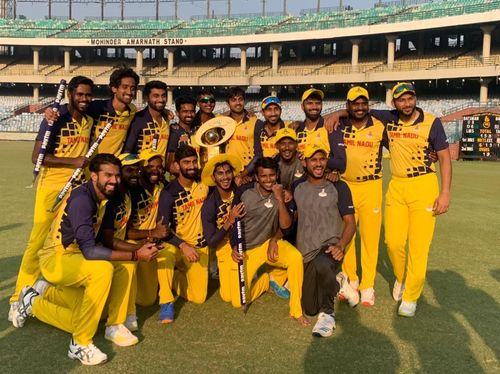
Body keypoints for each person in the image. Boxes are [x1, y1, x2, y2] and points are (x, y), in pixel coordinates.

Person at [11, 154, 159, 365]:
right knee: (103, 271)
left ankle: (112, 324)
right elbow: (90, 251)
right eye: (108, 175)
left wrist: (138, 250)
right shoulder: (82, 199)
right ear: (94, 176)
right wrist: (137, 254)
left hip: (78, 257)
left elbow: (108, 241)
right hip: (57, 258)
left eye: (116, 176)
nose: (114, 180)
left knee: (121, 269)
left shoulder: (108, 197)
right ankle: (79, 343)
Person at [8, 76, 94, 322]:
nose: (85, 99)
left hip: (76, 189)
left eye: (88, 95)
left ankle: (48, 285)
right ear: (70, 95)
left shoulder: (88, 121)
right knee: (37, 241)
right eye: (80, 95)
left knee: (67, 240)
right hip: (51, 188)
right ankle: (18, 297)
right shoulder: (55, 118)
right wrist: (73, 162)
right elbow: (37, 157)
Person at [370, 82, 452, 317]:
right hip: (397, 185)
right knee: (393, 243)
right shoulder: (389, 118)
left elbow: (445, 159)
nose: (406, 104)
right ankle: (401, 277)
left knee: (418, 247)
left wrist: (445, 193)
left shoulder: (431, 122)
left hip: (424, 185)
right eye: (401, 100)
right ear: (394, 102)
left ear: (415, 98)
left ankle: (411, 296)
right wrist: (338, 114)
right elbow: (360, 110)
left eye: (410, 99)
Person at [229, 157, 309, 326]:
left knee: (295, 258)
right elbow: (233, 222)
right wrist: (234, 246)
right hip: (247, 250)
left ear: (276, 175)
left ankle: (296, 310)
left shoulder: (283, 194)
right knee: (238, 301)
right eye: (263, 176)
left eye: (271, 175)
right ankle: (266, 281)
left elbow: (286, 225)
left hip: (267, 243)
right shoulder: (244, 192)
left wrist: (279, 199)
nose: (268, 180)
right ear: (256, 177)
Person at [292, 144, 358, 337]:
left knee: (323, 263)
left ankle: (328, 314)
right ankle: (338, 283)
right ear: (305, 163)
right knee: (310, 307)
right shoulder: (297, 186)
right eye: (313, 159)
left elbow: (350, 223)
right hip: (306, 253)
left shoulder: (338, 186)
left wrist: (341, 245)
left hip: (329, 247)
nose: (318, 163)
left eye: (322, 159)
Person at [339, 86, 387, 306]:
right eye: (355, 104)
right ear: (348, 106)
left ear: (368, 105)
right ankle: (351, 279)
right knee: (347, 235)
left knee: (369, 238)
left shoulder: (379, 127)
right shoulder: (339, 125)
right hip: (346, 186)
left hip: (371, 186)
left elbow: (400, 146)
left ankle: (368, 285)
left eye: (363, 103)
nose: (359, 107)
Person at [157, 145, 210, 321]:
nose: (192, 166)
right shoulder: (168, 193)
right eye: (186, 162)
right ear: (177, 166)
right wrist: (182, 245)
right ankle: (166, 301)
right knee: (164, 253)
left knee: (199, 297)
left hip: (198, 247)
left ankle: (170, 279)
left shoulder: (203, 184)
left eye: (194, 161)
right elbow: (162, 230)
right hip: (176, 244)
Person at [201, 154, 247, 306]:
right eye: (220, 173)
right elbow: (212, 241)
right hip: (222, 246)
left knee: (238, 301)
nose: (225, 177)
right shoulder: (209, 205)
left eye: (228, 172)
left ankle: (262, 281)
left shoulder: (241, 192)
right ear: (213, 178)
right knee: (227, 296)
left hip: (242, 242)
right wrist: (229, 221)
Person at [123, 80, 170, 159]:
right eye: (156, 96)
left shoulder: (167, 119)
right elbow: (127, 151)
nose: (161, 100)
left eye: (163, 96)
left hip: (161, 170)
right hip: (142, 169)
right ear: (146, 98)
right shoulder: (138, 119)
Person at [224, 87, 258, 178]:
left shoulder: (255, 122)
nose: (238, 103)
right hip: (227, 174)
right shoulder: (222, 123)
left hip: (248, 174)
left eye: (240, 99)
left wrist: (244, 174)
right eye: (233, 100)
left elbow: (258, 154)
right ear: (228, 103)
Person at [166, 96, 198, 173]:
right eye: (185, 111)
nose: (189, 115)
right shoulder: (173, 132)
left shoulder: (198, 131)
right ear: (177, 113)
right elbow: (169, 165)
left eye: (192, 111)